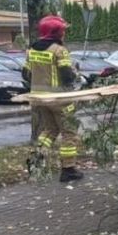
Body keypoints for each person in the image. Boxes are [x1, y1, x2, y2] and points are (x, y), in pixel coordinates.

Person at [27, 15, 83, 182]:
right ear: (56, 33)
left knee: (50, 130)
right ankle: (68, 169)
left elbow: (25, 74)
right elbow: (67, 76)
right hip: (59, 98)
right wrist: (76, 75)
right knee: (69, 133)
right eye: (62, 31)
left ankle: (36, 159)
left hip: (39, 98)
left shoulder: (31, 50)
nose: (64, 34)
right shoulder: (59, 50)